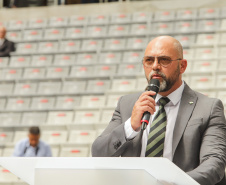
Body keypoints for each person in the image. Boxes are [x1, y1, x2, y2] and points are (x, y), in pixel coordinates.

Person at [92, 36, 226, 185]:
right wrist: (131, 126)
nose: (155, 66)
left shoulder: (209, 107)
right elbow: (99, 153)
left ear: (182, 66)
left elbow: (214, 164)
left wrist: (174, 183)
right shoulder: (127, 104)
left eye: (164, 60)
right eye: (149, 60)